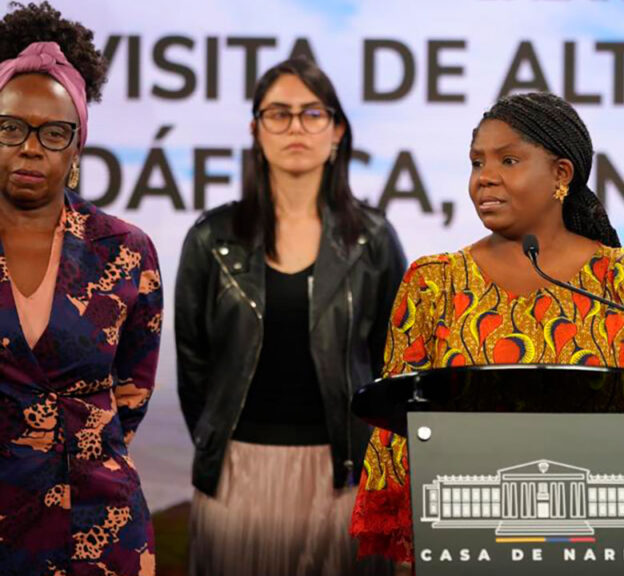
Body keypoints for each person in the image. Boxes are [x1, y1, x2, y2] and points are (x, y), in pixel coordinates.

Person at [350, 92, 624, 574]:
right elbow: (399, 433)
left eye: (509, 160)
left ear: (561, 175)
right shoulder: (432, 282)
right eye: (477, 162)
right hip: (466, 548)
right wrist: (407, 549)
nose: (485, 177)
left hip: (605, 548)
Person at [174, 56, 405, 575]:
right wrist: (223, 447)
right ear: (256, 130)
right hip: (237, 475)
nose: (296, 127)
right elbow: (194, 367)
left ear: (337, 130)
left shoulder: (373, 240)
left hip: (343, 478)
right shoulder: (212, 238)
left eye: (312, 113)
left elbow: (395, 367)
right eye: (278, 113)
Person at [0, 2, 162, 574]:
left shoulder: (125, 250)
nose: (30, 146)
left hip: (98, 531)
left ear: (76, 148)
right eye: (10, 127)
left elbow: (129, 400)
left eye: (54, 132)